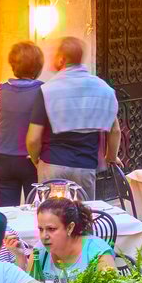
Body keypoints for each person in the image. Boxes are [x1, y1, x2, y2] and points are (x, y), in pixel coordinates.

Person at [38, 36, 120, 198]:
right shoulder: (103, 89)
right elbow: (115, 130)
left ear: (62, 59)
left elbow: (33, 137)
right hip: (85, 166)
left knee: (50, 216)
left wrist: (36, 159)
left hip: (52, 163)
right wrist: (111, 157)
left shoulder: (47, 90)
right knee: (83, 216)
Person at [0, 41, 50, 206]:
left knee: (8, 212)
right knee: (36, 211)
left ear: (13, 64)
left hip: (4, 160)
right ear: (38, 66)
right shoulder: (43, 90)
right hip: (32, 160)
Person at [7, 198, 115, 283]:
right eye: (41, 229)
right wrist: (20, 256)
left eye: (51, 229)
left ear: (70, 228)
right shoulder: (40, 250)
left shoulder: (98, 252)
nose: (44, 236)